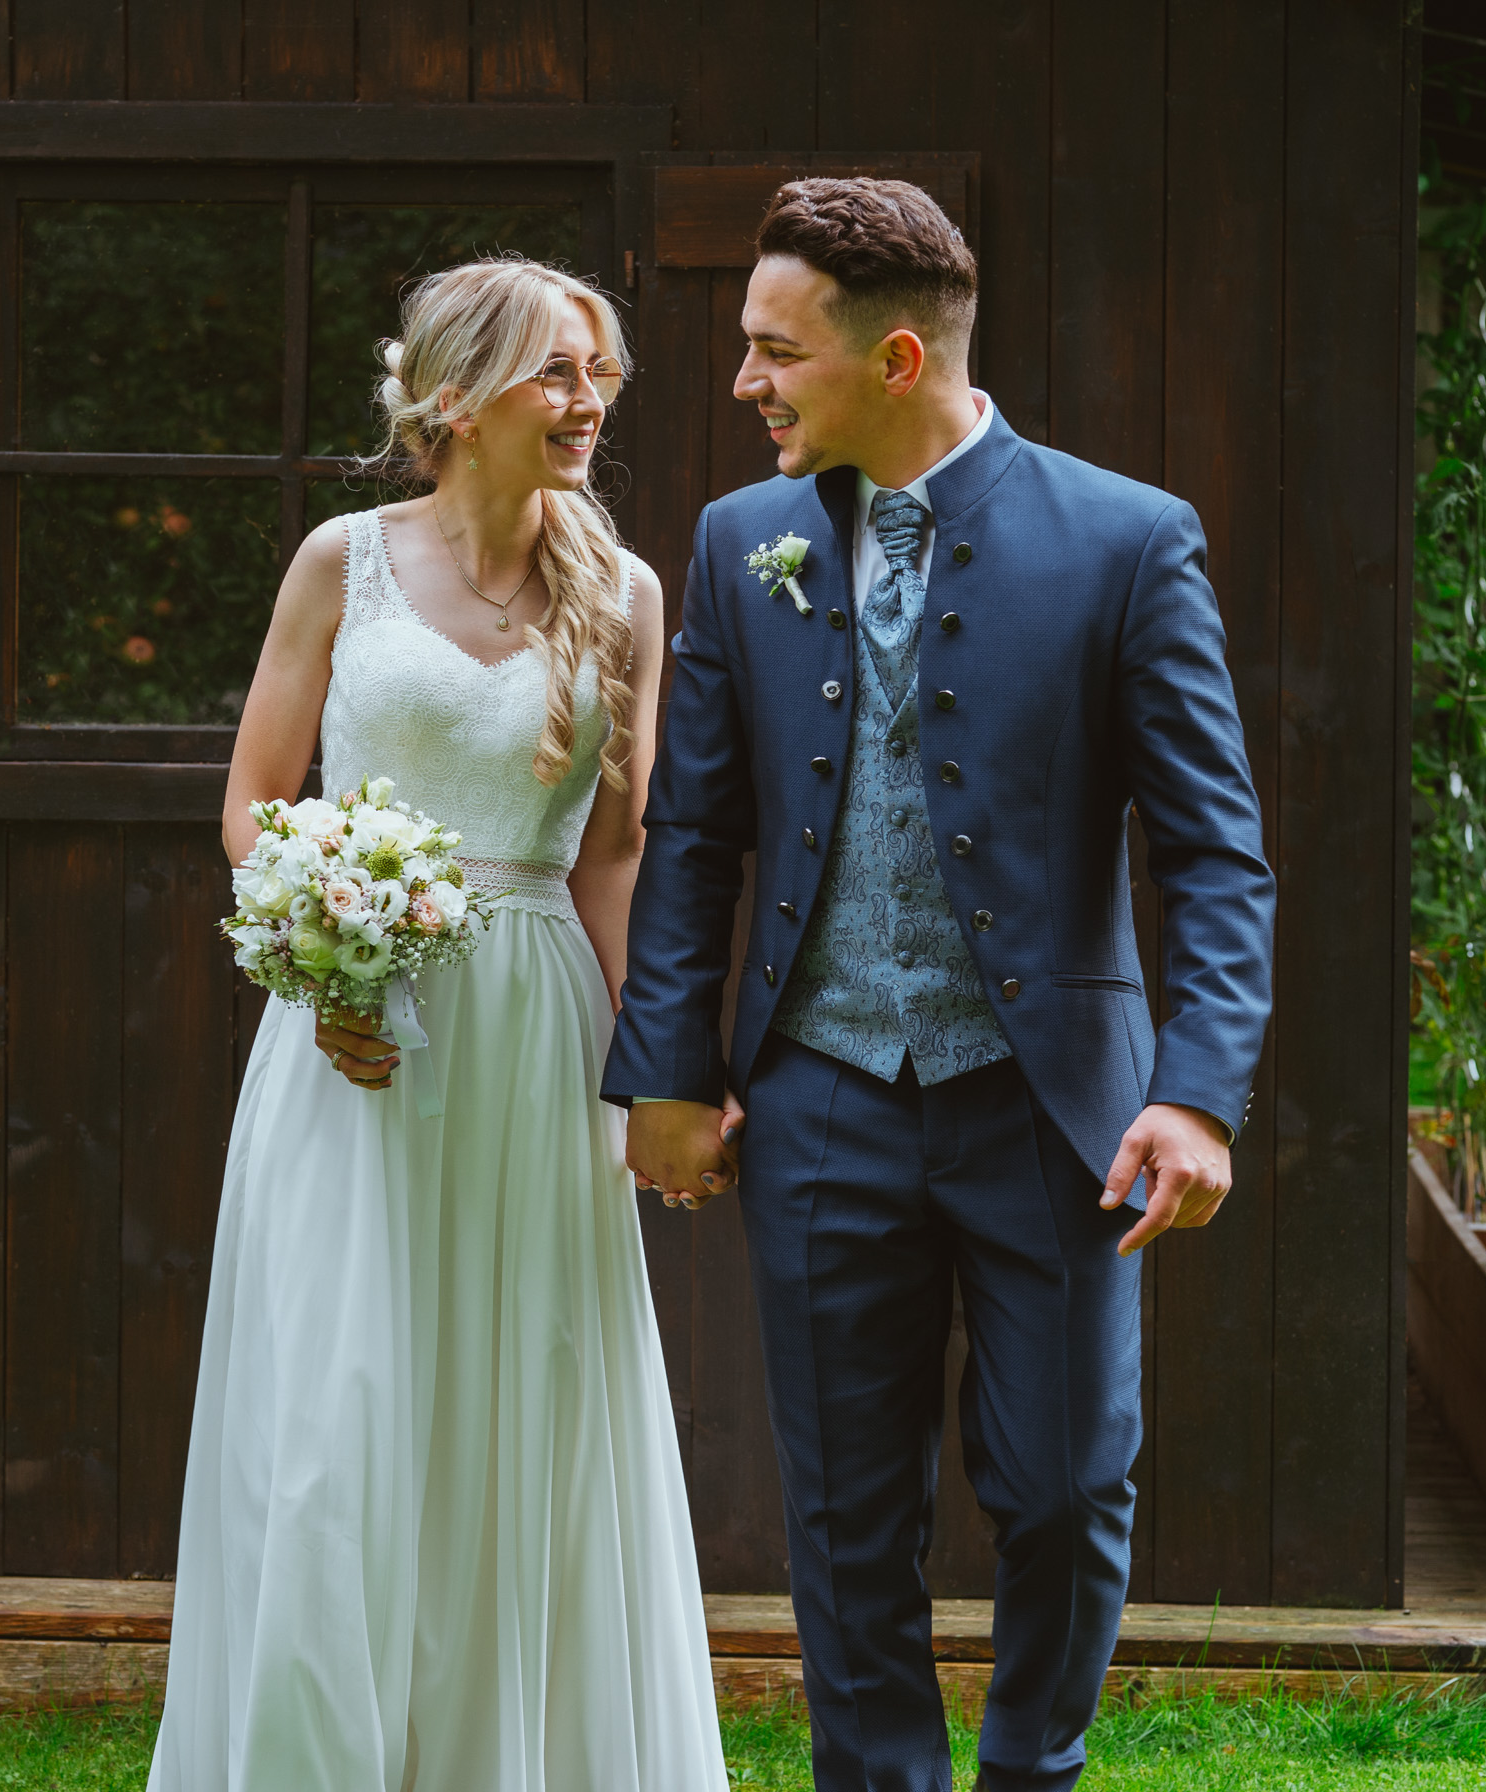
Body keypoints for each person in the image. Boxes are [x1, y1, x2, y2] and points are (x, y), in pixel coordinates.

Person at [606, 178, 1275, 1792]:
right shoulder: (738, 542)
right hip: (823, 1092)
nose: (749, 382)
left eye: (777, 352)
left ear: (896, 358)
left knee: (1061, 1483)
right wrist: (667, 1073)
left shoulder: (1128, 540)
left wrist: (1194, 1092)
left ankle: (1031, 1767)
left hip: (1051, 1111)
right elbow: (693, 831)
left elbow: (1216, 851)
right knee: (843, 1501)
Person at [150, 257, 729, 1791]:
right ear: (457, 400)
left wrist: (656, 1069)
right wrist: (330, 964)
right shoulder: (340, 563)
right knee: (338, 1419)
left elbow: (616, 853)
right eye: (558, 373)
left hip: (536, 1031)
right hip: (354, 1033)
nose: (590, 402)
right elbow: (257, 805)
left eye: (601, 375)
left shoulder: (628, 594)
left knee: (525, 1404)